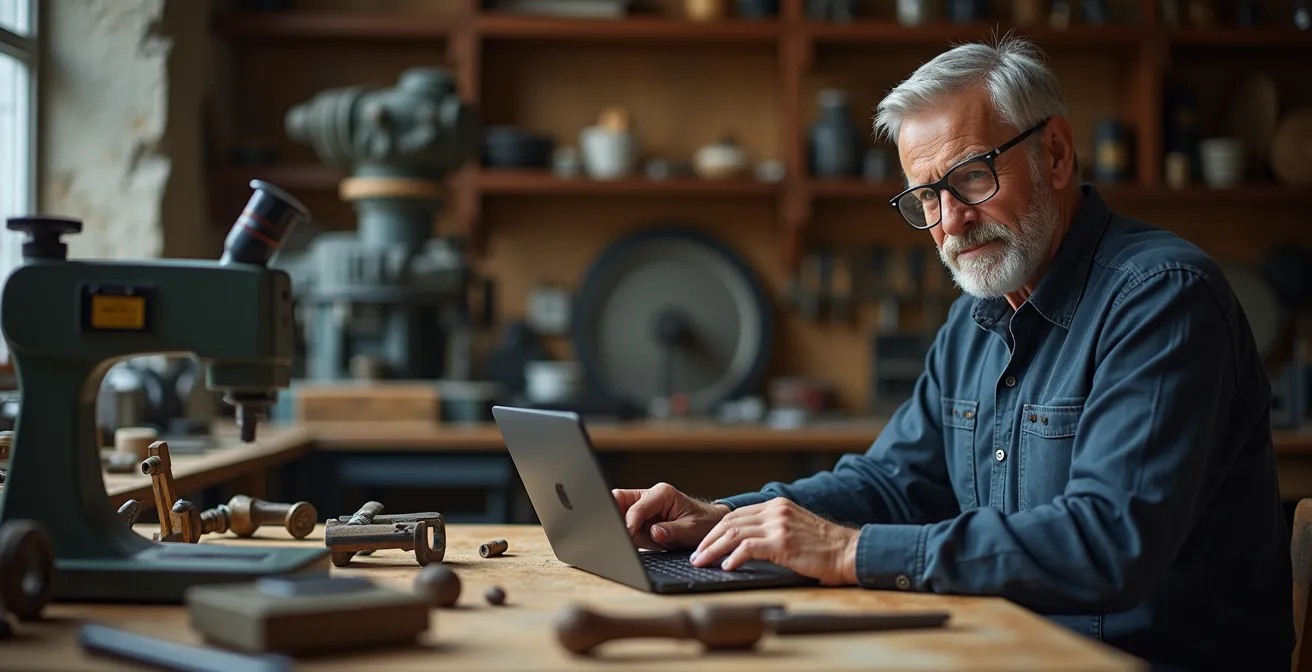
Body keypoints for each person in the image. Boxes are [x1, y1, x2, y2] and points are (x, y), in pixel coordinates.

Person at [613, 36, 1292, 670]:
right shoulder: (976, 319)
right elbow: (892, 484)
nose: (951, 221)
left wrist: (849, 550)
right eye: (926, 197)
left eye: (971, 177)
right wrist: (730, 519)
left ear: (1055, 155)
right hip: (1006, 652)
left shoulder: (1161, 298)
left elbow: (1108, 542)